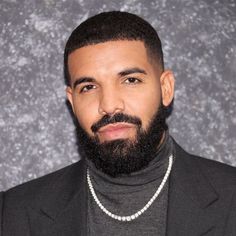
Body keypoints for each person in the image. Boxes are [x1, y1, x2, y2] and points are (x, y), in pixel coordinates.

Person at [1, 11, 236, 236]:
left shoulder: (230, 198)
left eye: (130, 80)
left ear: (166, 89)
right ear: (72, 101)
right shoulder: (14, 212)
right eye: (89, 87)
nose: (110, 105)